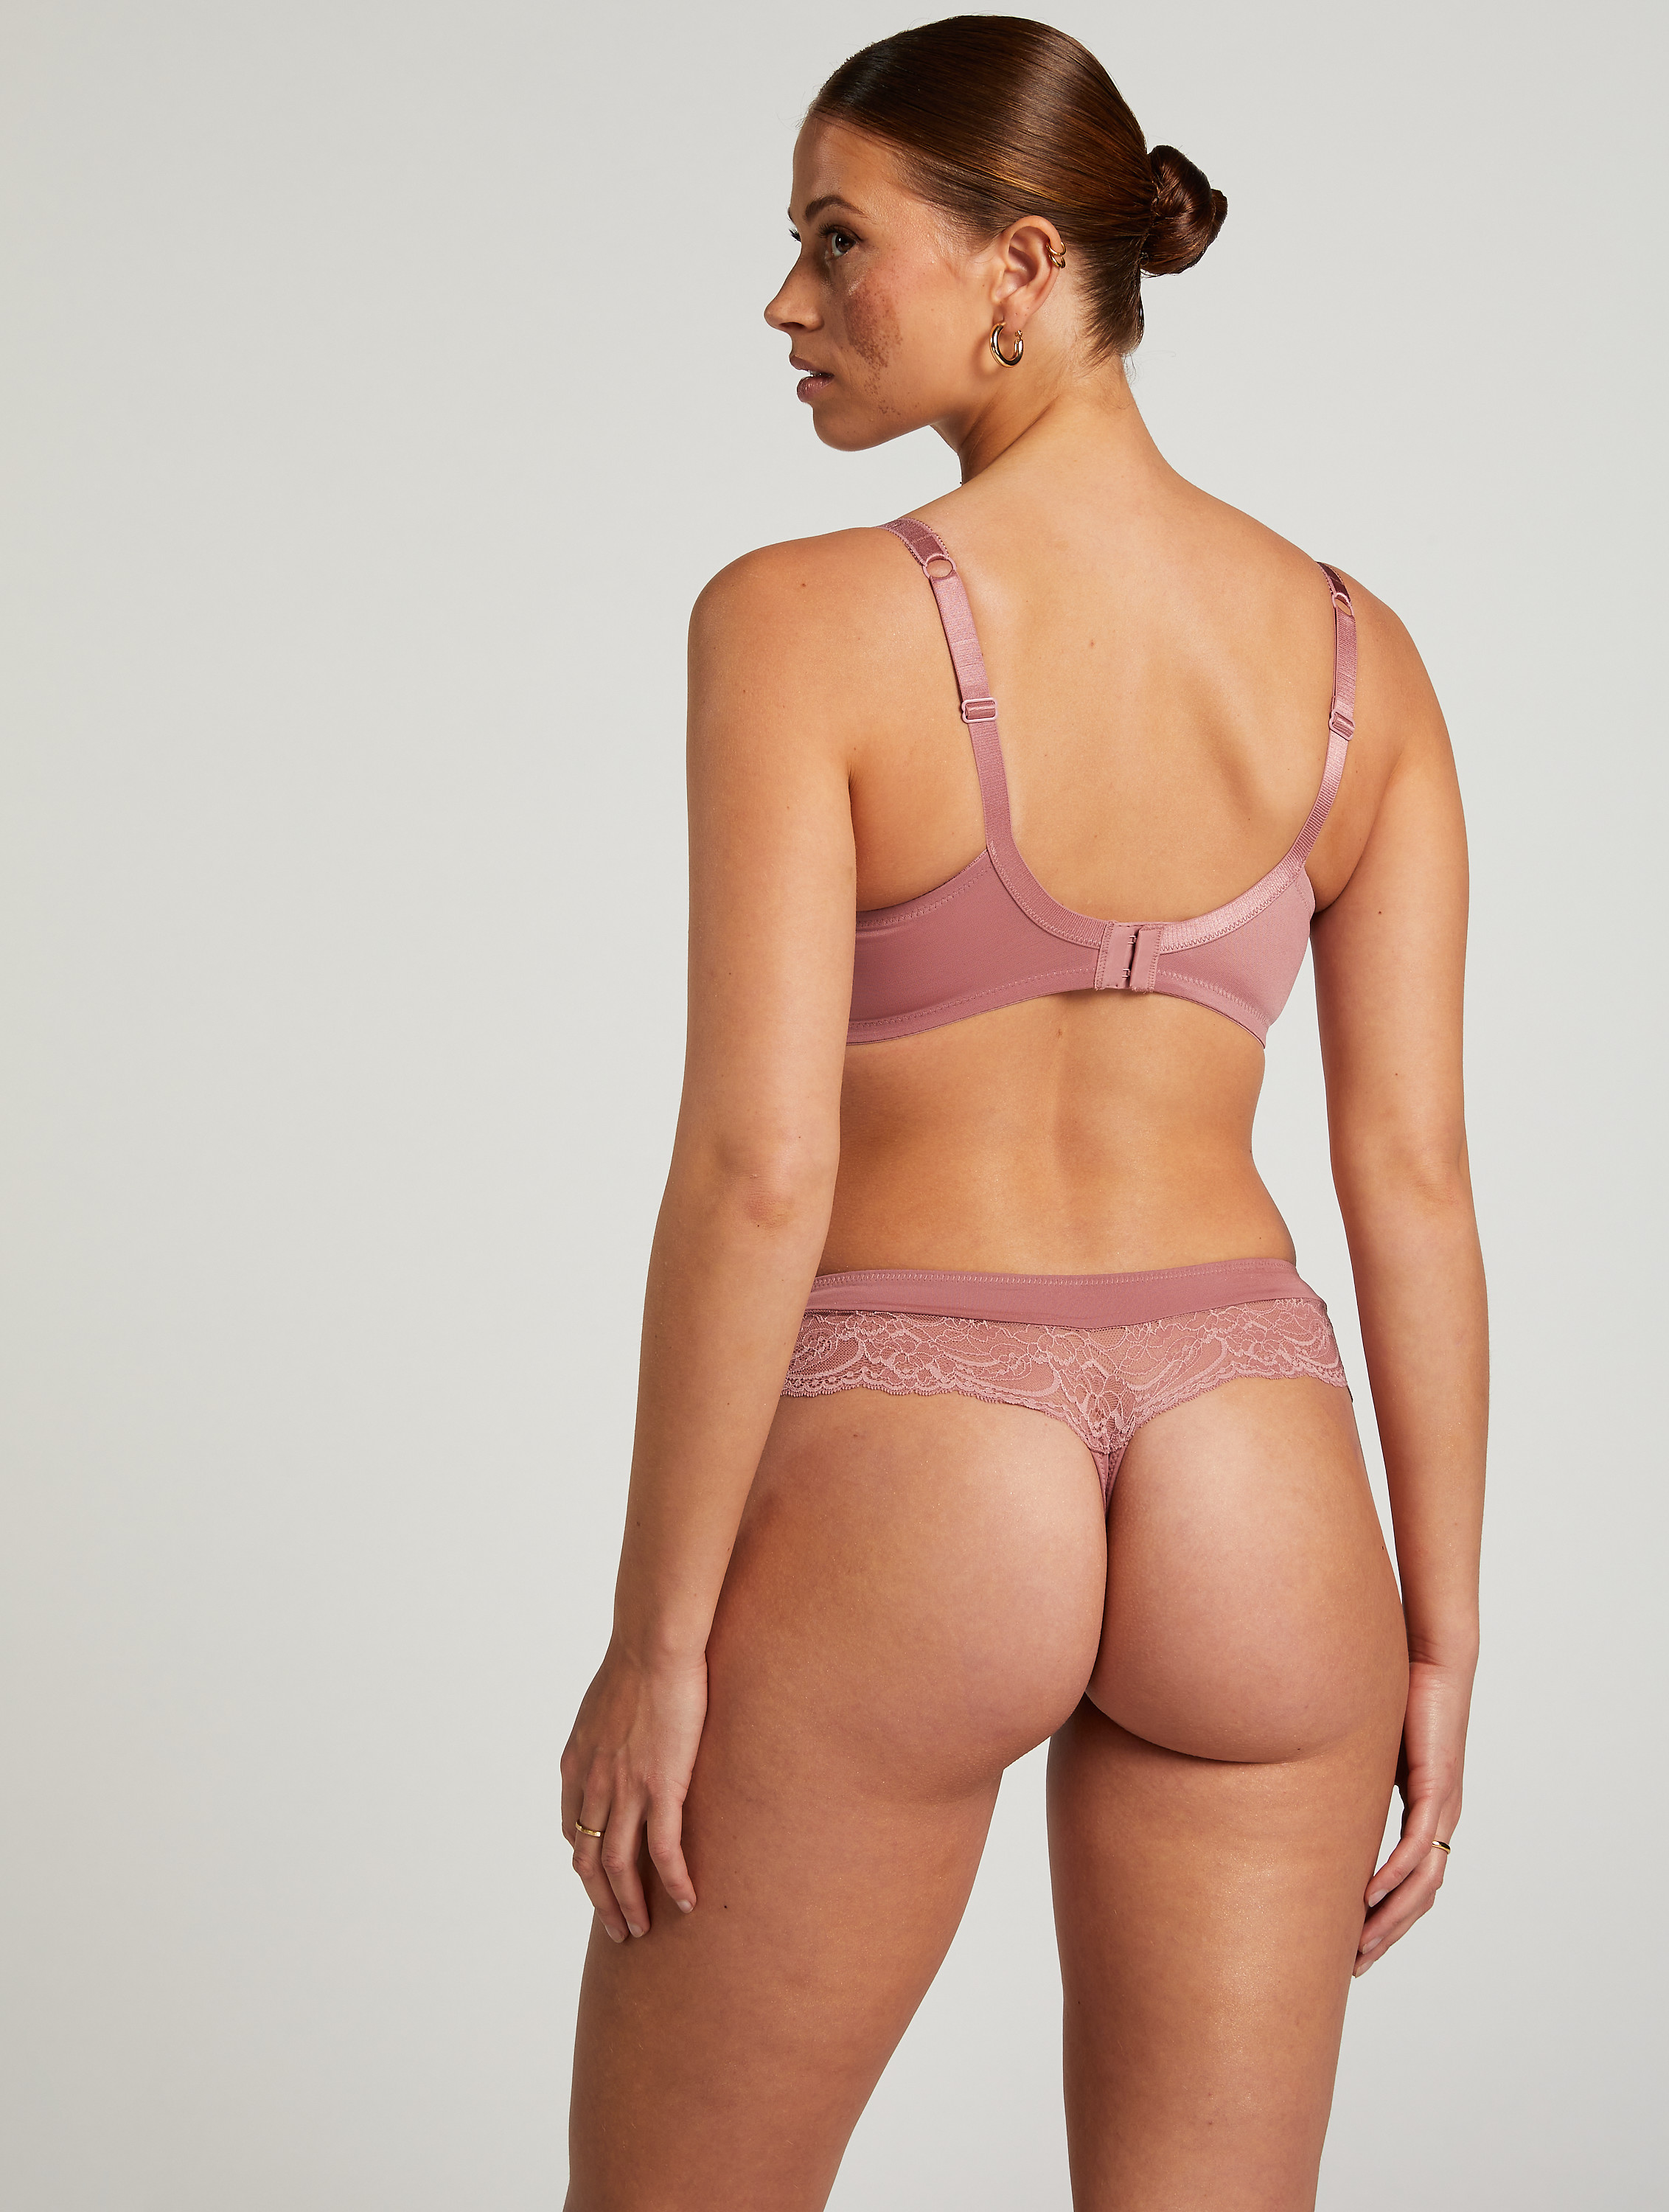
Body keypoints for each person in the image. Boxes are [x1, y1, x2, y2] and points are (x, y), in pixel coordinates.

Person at [560, 16, 1486, 2208]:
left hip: (918, 1456)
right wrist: (1439, 1636)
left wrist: (658, 1642)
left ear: (1022, 264)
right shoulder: (1358, 658)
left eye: (834, 239)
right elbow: (1414, 1180)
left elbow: (759, 1171)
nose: (785, 301)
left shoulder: (799, 625)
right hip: (1265, 1482)